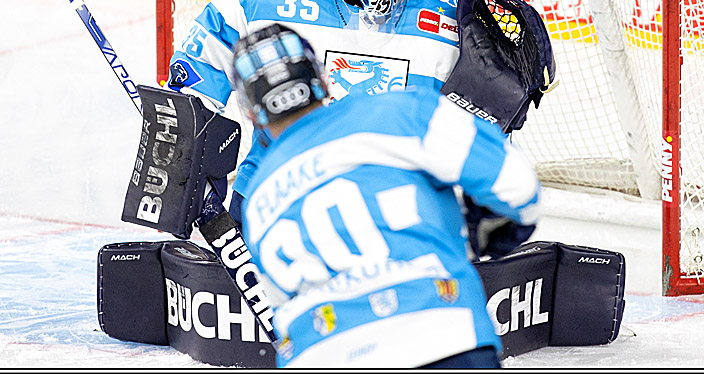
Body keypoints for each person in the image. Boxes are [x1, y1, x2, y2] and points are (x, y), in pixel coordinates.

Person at [229, 24, 542, 368]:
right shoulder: (399, 111)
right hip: (438, 333)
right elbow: (518, 186)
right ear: (321, 78)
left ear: (251, 111)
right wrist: (484, 234)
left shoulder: (256, 198)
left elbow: (276, 308)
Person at [167, 0, 462, 226]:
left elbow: (472, 128)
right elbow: (206, 50)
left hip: (388, 210)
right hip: (274, 193)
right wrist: (190, 136)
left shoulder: (447, 22)